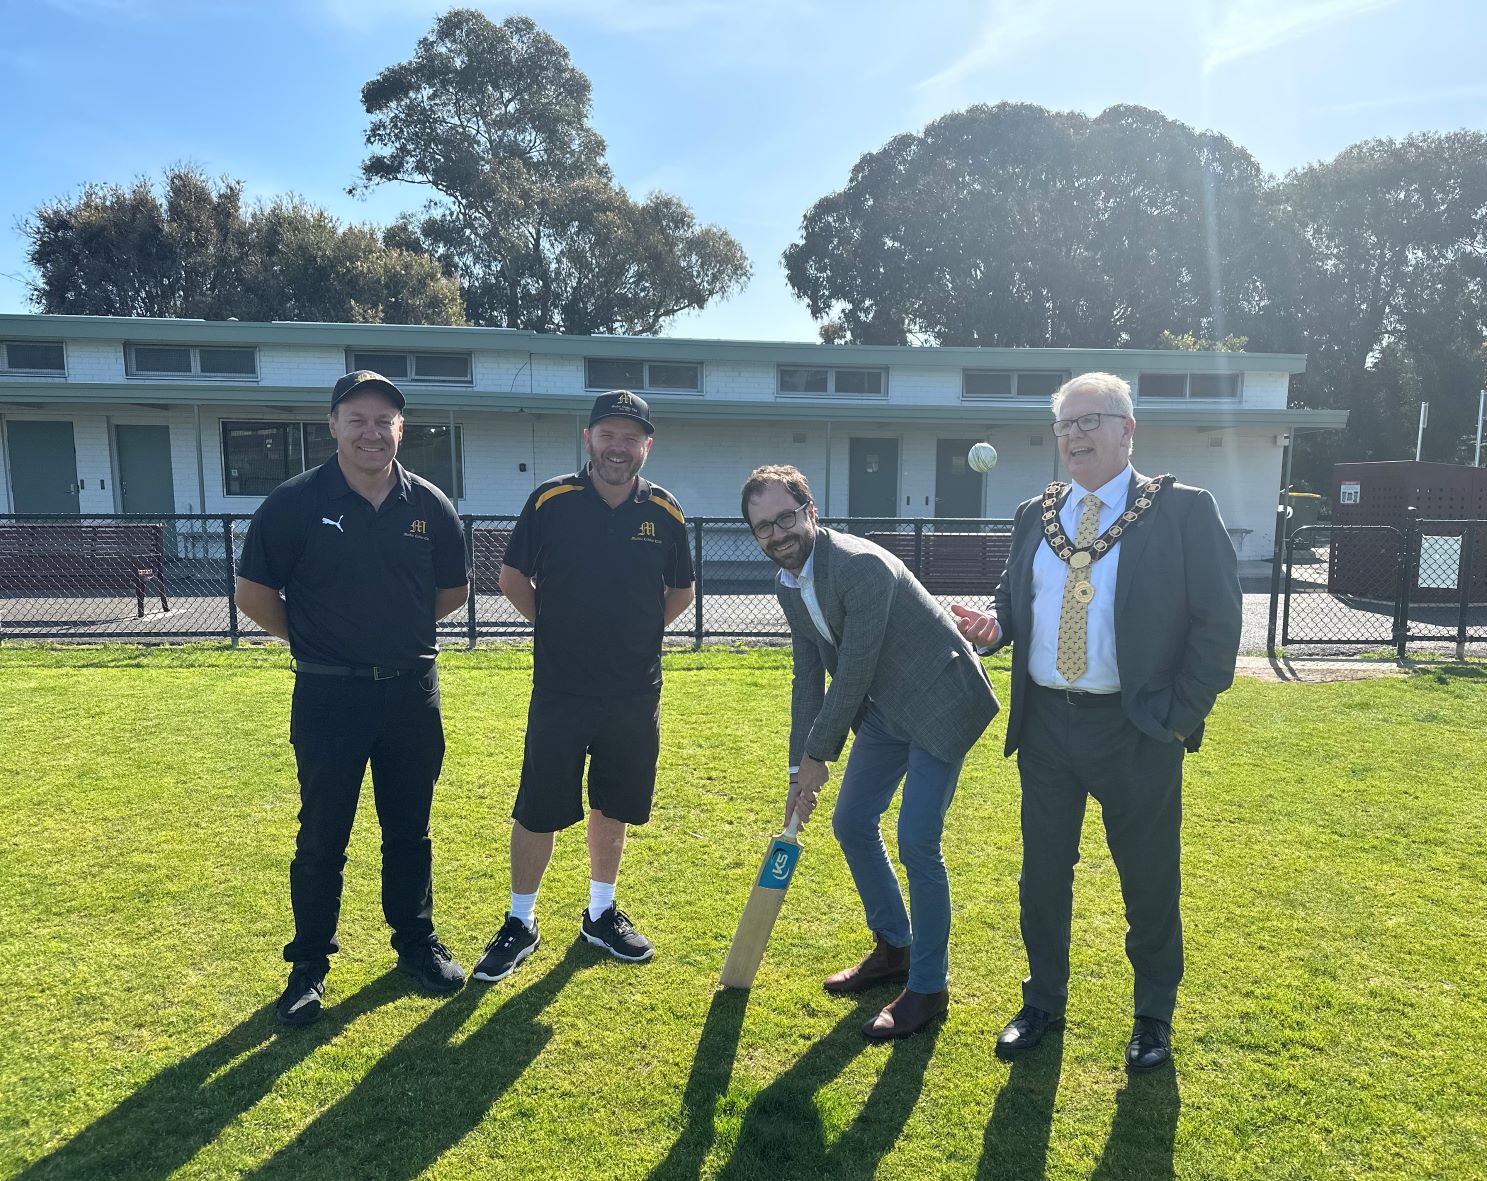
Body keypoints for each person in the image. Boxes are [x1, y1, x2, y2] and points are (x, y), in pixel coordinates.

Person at [950, 371, 1241, 1070]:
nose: (1075, 436)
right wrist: (996, 627)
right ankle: (1042, 1000)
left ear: (1127, 430)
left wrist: (1175, 718)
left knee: (1148, 878)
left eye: (1091, 421)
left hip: (1138, 730)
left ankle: (1152, 1017)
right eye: (1065, 425)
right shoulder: (1036, 513)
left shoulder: (1181, 511)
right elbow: (1017, 601)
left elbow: (1218, 625)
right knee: (1042, 876)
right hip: (1047, 726)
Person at [235, 370, 471, 1027]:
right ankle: (308, 965)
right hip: (328, 697)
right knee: (322, 836)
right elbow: (254, 595)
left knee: (410, 830)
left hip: (410, 694)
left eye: (385, 420)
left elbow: (451, 593)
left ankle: (415, 944)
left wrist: (393, 632)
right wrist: (317, 641)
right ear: (333, 425)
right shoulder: (293, 503)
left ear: (402, 429)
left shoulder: (430, 505)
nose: (372, 431)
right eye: (357, 418)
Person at [743, 464, 999, 1040]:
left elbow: (852, 672)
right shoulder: (787, 583)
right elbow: (807, 676)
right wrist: (797, 769)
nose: (777, 534)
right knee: (853, 823)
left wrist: (820, 756)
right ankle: (895, 948)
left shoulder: (860, 566)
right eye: (763, 527)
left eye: (786, 517)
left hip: (939, 697)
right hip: (886, 708)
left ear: (810, 511)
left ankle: (929, 988)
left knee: (917, 840)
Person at [472, 390, 694, 981]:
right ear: (589, 439)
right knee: (539, 806)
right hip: (562, 688)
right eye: (608, 434)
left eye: (631, 437)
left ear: (647, 446)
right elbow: (512, 576)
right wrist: (555, 624)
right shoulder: (551, 499)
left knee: (612, 801)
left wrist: (637, 634)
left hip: (632, 690)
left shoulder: (665, 510)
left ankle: (601, 913)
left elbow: (681, 590)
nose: (618, 447)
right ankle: (520, 921)